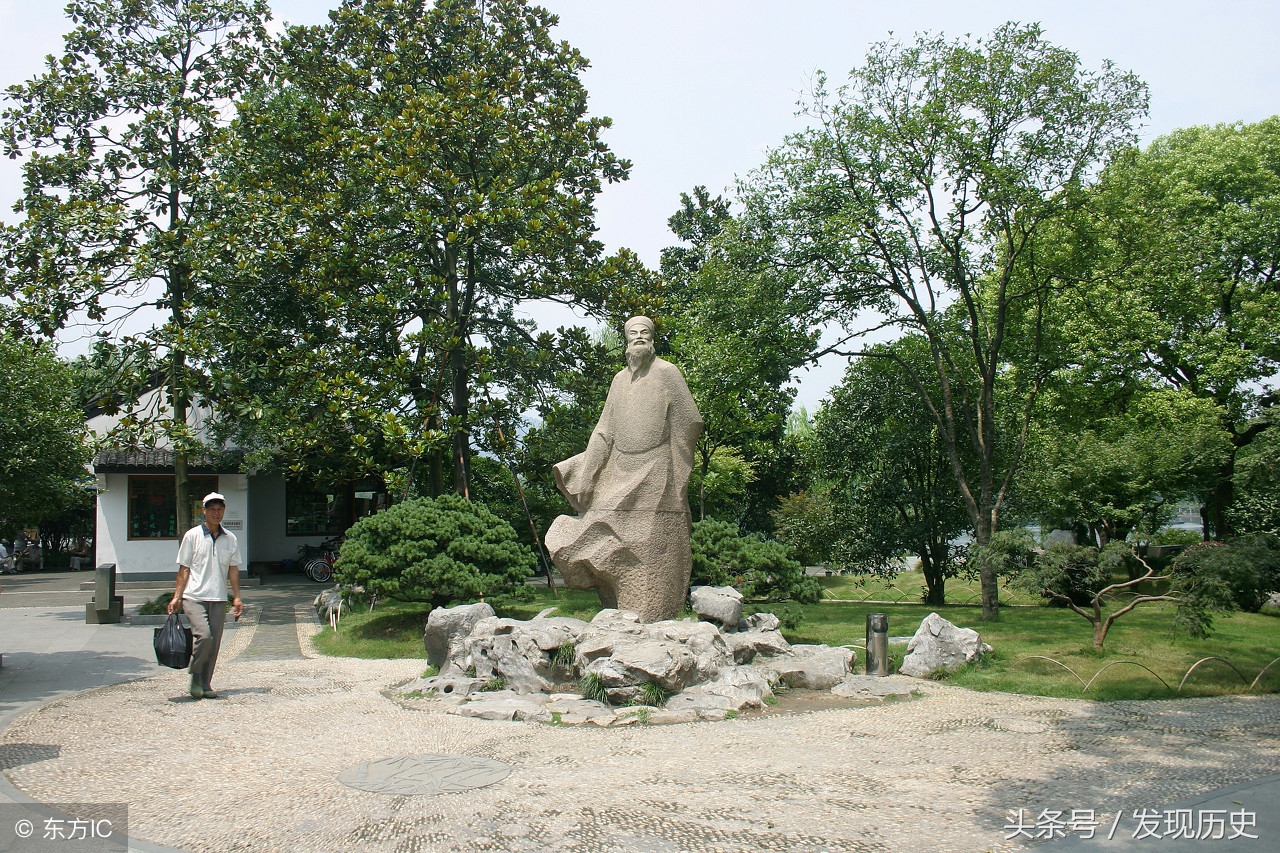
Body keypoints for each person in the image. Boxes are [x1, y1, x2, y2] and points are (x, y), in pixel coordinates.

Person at [546, 316, 703, 621]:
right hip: (619, 469)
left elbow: (690, 421)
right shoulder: (619, 381)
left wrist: (677, 473)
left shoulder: (667, 373)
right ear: (626, 341)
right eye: (634, 334)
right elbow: (604, 430)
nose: (640, 338)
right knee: (589, 530)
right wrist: (588, 475)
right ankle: (610, 599)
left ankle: (649, 611)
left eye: (645, 333)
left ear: (653, 339)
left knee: (647, 543)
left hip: (657, 469)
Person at [168, 492, 243, 699]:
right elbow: (184, 568)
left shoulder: (230, 539)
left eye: (219, 509)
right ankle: (195, 676)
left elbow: (233, 569)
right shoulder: (192, 536)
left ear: (224, 511)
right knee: (205, 636)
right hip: (194, 596)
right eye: (212, 509)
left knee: (215, 642)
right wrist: (177, 596)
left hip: (218, 597)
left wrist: (236, 596)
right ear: (204, 511)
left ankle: (205, 683)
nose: (216, 513)